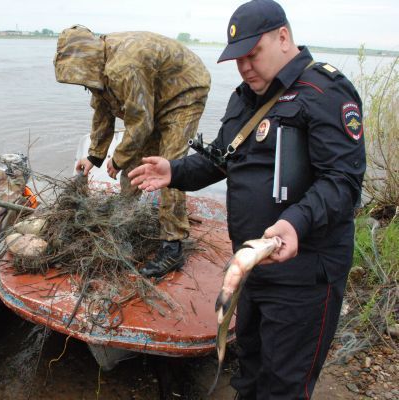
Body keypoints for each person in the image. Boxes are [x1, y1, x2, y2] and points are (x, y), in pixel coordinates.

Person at [128, 0, 366, 398]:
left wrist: (296, 222)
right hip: (251, 267)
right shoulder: (244, 98)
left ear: (283, 37)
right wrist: (174, 171)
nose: (244, 67)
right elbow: (222, 160)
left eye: (252, 54)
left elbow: (342, 182)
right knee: (250, 366)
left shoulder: (324, 91)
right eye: (238, 59)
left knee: (284, 383)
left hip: (304, 274)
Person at [53, 25, 211, 278]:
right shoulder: (97, 70)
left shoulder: (125, 66)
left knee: (169, 168)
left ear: (87, 58)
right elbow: (103, 113)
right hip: (153, 97)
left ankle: (172, 246)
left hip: (183, 92)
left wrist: (117, 158)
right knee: (137, 165)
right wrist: (94, 156)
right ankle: (126, 216)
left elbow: (141, 122)